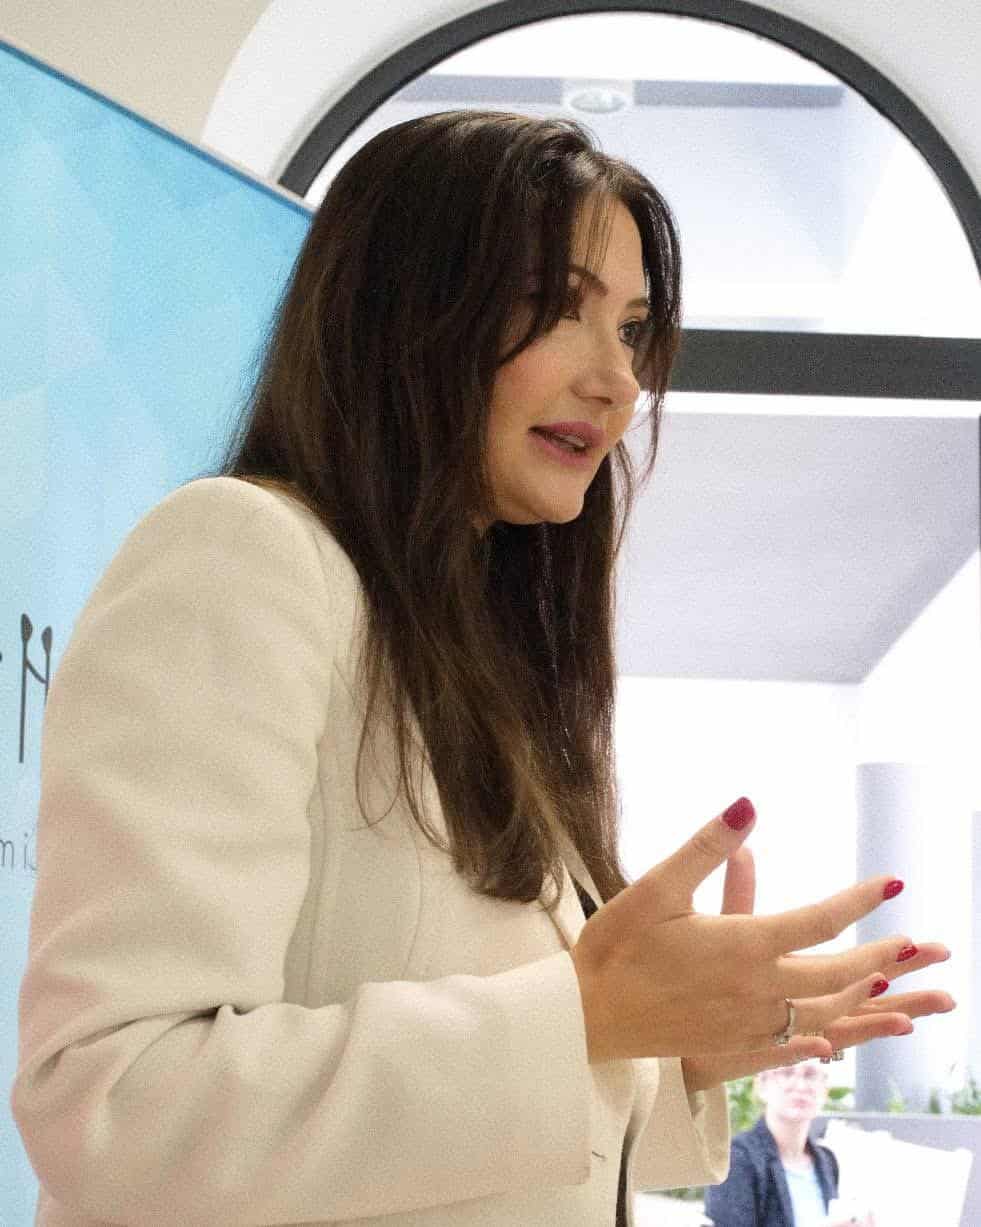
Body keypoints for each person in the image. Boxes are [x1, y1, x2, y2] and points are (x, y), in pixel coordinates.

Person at [10, 110, 954, 1227]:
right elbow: (117, 1106)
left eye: (634, 327)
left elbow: (491, 1135)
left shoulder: (485, 662)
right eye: (557, 309)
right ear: (407, 314)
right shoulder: (242, 558)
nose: (617, 381)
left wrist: (683, 1047)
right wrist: (588, 1017)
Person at [704, 1060, 874, 1226]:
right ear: (761, 1085)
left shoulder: (827, 1161)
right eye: (786, 1073)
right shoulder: (735, 1158)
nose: (800, 1086)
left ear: (825, 1090)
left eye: (810, 1075)